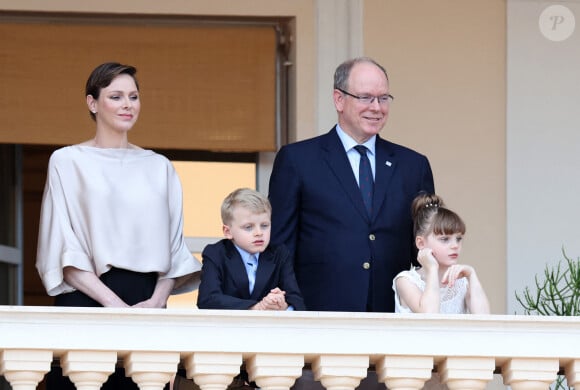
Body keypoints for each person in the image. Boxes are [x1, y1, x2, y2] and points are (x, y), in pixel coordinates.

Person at [36, 62, 202, 390]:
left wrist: (155, 303)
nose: (127, 104)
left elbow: (174, 248)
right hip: (86, 302)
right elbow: (62, 248)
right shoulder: (67, 161)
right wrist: (115, 307)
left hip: (147, 303)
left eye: (133, 96)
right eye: (116, 96)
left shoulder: (160, 167)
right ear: (92, 103)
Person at [268, 57, 435, 313]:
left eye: (383, 98)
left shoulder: (413, 166)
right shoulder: (298, 160)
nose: (376, 107)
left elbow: (426, 245)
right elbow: (281, 247)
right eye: (366, 97)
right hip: (319, 315)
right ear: (339, 99)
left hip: (393, 317)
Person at [197, 188, 305, 311]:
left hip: (269, 329)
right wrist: (256, 307)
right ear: (228, 232)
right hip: (228, 328)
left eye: (264, 226)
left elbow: (297, 301)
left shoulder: (279, 253)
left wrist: (282, 305)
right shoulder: (215, 253)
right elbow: (207, 299)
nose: (259, 233)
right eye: (248, 227)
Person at [393, 193, 490, 314]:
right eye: (445, 239)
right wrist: (432, 269)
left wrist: (472, 275)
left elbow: (484, 321)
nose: (455, 245)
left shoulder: (462, 283)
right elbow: (429, 317)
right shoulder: (405, 281)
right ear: (421, 243)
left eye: (458, 239)